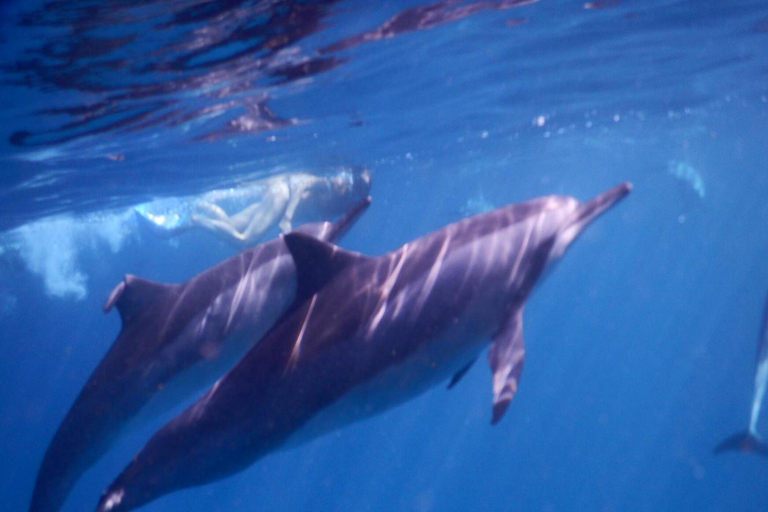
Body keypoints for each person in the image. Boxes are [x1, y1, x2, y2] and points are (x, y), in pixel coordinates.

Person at [134, 167, 371, 246]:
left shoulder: (343, 204)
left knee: (230, 223)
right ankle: (195, 220)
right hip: (282, 196)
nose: (358, 190)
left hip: (278, 197)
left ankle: (192, 211)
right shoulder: (336, 184)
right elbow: (301, 186)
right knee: (245, 239)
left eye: (363, 188)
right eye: (359, 184)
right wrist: (287, 218)